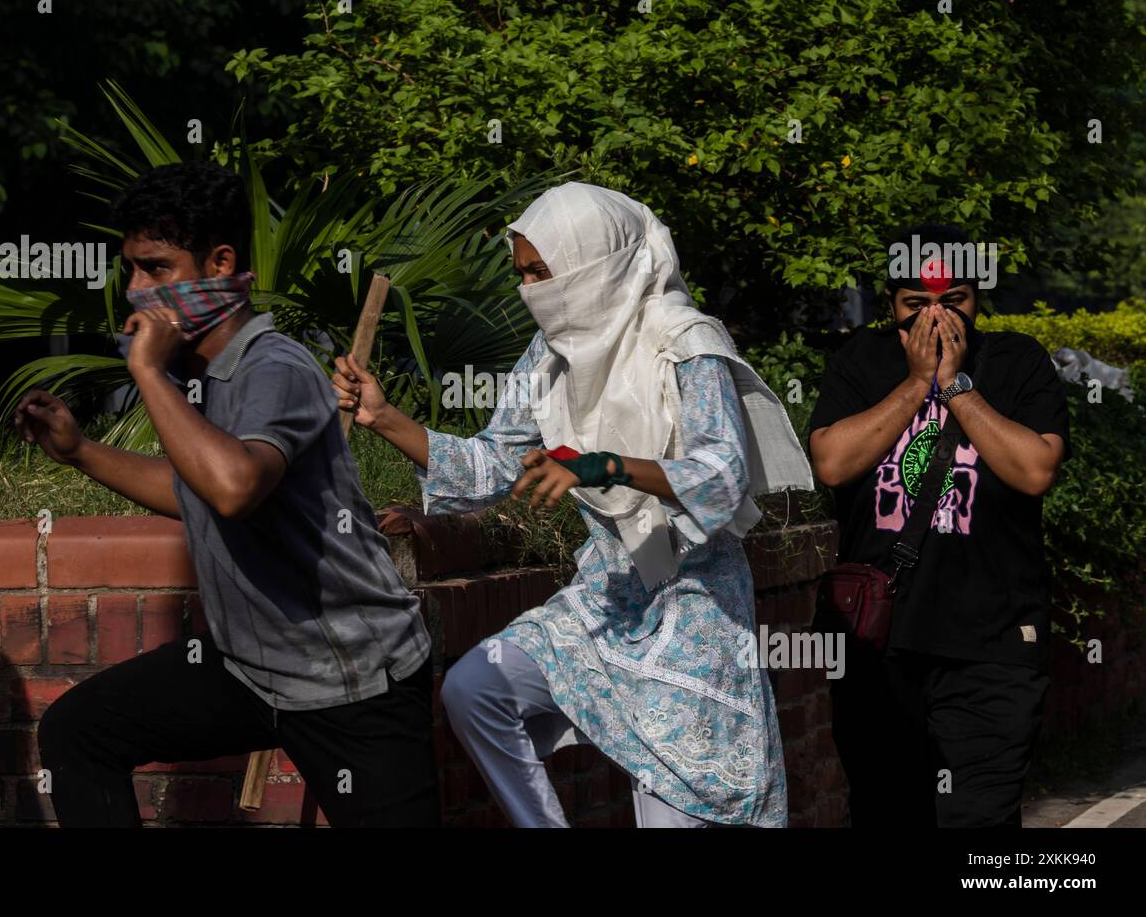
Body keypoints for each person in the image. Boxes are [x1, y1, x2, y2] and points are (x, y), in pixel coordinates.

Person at [334, 182, 813, 827]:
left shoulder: (687, 344)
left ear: (595, 264)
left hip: (693, 611)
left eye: (543, 272)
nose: (533, 290)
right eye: (524, 275)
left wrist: (607, 466)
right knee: (476, 690)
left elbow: (720, 476)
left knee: (680, 799)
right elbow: (497, 461)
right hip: (606, 593)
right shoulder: (551, 353)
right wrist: (386, 417)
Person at [24, 161, 438, 827]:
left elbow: (234, 487)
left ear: (220, 262)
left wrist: (147, 372)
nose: (137, 291)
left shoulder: (273, 365)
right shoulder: (203, 375)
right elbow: (193, 486)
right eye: (130, 270)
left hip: (351, 677)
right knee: (80, 731)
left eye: (157, 269)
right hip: (252, 669)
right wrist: (78, 450)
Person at [808, 223, 1071, 827]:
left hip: (995, 646)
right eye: (916, 305)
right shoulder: (863, 359)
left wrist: (954, 385)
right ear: (892, 307)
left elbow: (1034, 470)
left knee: (979, 821)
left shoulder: (1016, 362)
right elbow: (832, 462)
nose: (935, 318)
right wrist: (912, 384)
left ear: (977, 300)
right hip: (880, 644)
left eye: (953, 301)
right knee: (886, 811)